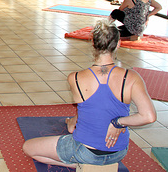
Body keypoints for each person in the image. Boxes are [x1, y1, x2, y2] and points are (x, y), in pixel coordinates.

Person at [23, 19, 156, 168]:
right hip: (118, 153)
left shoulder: (75, 78)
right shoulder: (132, 77)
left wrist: (115, 122)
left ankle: (82, 165)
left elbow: (90, 104)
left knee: (29, 148)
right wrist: (119, 122)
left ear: (93, 44)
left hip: (85, 151)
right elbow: (148, 116)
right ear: (118, 44)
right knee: (73, 126)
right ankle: (91, 163)